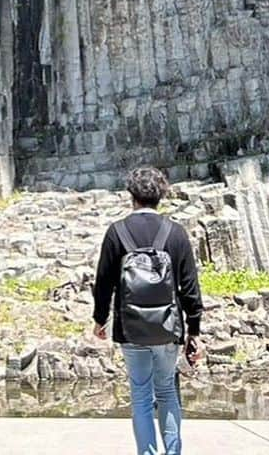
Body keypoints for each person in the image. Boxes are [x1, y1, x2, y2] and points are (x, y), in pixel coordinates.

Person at [92, 166, 204, 455]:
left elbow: (103, 282)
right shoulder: (176, 233)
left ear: (132, 196)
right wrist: (195, 331)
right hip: (168, 330)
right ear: (161, 196)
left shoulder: (116, 232)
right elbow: (190, 287)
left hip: (130, 330)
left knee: (141, 396)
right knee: (167, 391)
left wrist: (99, 319)